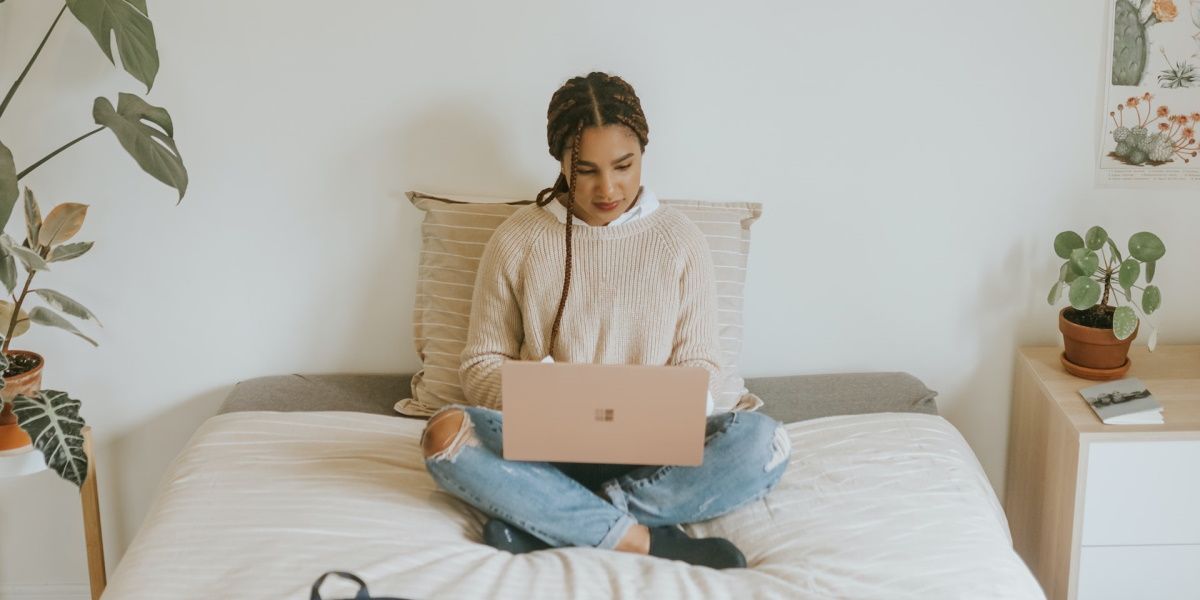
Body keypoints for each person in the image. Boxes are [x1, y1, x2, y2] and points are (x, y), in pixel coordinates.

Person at [419, 72, 790, 570]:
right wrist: (545, 391)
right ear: (560, 162)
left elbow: (702, 360)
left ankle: (555, 521)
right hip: (544, 449)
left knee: (765, 443)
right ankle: (646, 538)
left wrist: (672, 406)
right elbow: (480, 362)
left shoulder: (681, 240)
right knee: (444, 435)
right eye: (586, 169)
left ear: (643, 154)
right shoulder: (517, 240)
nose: (608, 187)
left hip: (657, 456)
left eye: (624, 165)